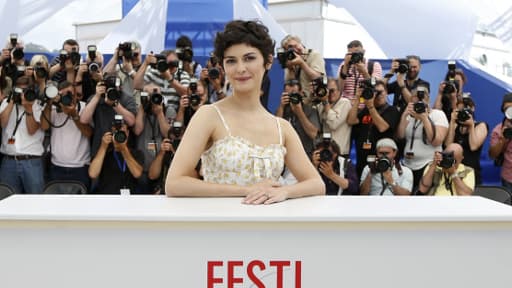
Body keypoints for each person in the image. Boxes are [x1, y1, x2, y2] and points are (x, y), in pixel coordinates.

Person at [165, 20, 325, 204]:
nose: (240, 68)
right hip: (219, 226)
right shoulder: (208, 115)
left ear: (268, 62)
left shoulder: (282, 127)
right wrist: (247, 191)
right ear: (223, 66)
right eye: (231, 61)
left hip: (268, 229)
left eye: (249, 58)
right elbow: (174, 184)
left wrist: (286, 191)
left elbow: (316, 184)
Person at [40, 81, 92, 190]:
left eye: (70, 94)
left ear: (76, 95)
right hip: (57, 166)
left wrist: (74, 115)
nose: (67, 98)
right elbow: (44, 127)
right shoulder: (53, 109)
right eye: (63, 95)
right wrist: (49, 103)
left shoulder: (85, 108)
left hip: (80, 167)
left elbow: (89, 133)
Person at [396, 86, 448, 191]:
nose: (419, 99)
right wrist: (405, 114)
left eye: (423, 96)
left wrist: (424, 118)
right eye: (416, 96)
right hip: (407, 164)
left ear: (428, 98)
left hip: (428, 164)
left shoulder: (438, 114)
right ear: (411, 98)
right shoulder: (409, 115)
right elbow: (400, 136)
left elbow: (436, 141)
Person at [0, 76, 45, 193]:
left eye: (25, 91)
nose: (22, 95)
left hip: (31, 161)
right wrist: (12, 101)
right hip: (9, 161)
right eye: (19, 91)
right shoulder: (6, 102)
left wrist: (28, 107)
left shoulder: (37, 104)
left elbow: (32, 130)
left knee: (35, 202)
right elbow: (2, 123)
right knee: (6, 202)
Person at [347, 79, 400, 177]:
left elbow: (382, 127)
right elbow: (351, 121)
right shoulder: (366, 110)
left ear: (387, 92)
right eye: (376, 92)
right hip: (362, 157)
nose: (379, 95)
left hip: (380, 158)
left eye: (381, 92)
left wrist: (371, 107)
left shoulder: (392, 110)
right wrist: (358, 99)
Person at [88, 115, 143, 194]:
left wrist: (124, 149)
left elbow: (137, 174)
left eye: (122, 132)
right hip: (108, 196)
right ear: (111, 132)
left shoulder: (136, 153)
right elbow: (92, 174)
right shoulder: (104, 152)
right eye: (116, 132)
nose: (119, 135)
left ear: (127, 133)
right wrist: (103, 147)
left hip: (129, 198)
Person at [444, 96, 487, 185]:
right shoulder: (456, 126)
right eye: (460, 110)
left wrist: (471, 126)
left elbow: (473, 146)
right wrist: (452, 122)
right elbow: (447, 146)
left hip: (471, 171)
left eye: (465, 109)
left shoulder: (481, 126)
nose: (463, 112)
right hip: (454, 169)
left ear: (472, 108)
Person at [275, 79, 320, 156]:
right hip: (286, 155)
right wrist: (281, 107)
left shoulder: (310, 110)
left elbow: (315, 135)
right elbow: (275, 131)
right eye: (289, 95)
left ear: (301, 94)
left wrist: (299, 112)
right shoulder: (282, 110)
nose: (293, 98)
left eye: (294, 94)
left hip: (305, 154)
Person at [280, 34, 325, 103]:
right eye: (290, 48)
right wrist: (290, 69)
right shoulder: (290, 60)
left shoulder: (314, 55)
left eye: (295, 46)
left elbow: (318, 78)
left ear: (300, 43)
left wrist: (301, 63)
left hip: (315, 102)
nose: (294, 49)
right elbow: (290, 85)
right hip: (299, 103)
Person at [316, 78, 352, 156]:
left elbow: (333, 124)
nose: (329, 94)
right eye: (327, 91)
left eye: (332, 91)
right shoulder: (321, 105)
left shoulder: (345, 103)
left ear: (339, 91)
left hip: (340, 152)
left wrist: (325, 103)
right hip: (325, 151)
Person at [489, 93, 512, 192]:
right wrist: (503, 139)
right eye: (507, 108)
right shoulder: (498, 130)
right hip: (509, 178)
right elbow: (492, 154)